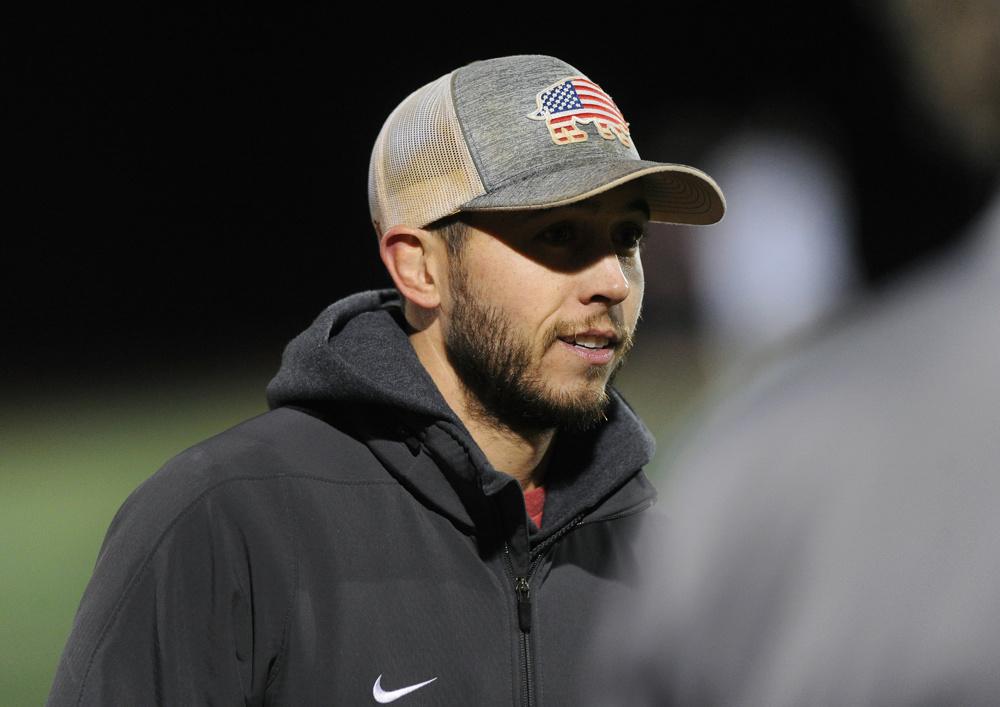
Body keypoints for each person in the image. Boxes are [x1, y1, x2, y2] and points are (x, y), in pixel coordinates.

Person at [46, 54, 724, 706]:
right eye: (558, 236)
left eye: (627, 239)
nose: (612, 281)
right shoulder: (226, 521)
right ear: (419, 268)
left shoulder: (665, 555)